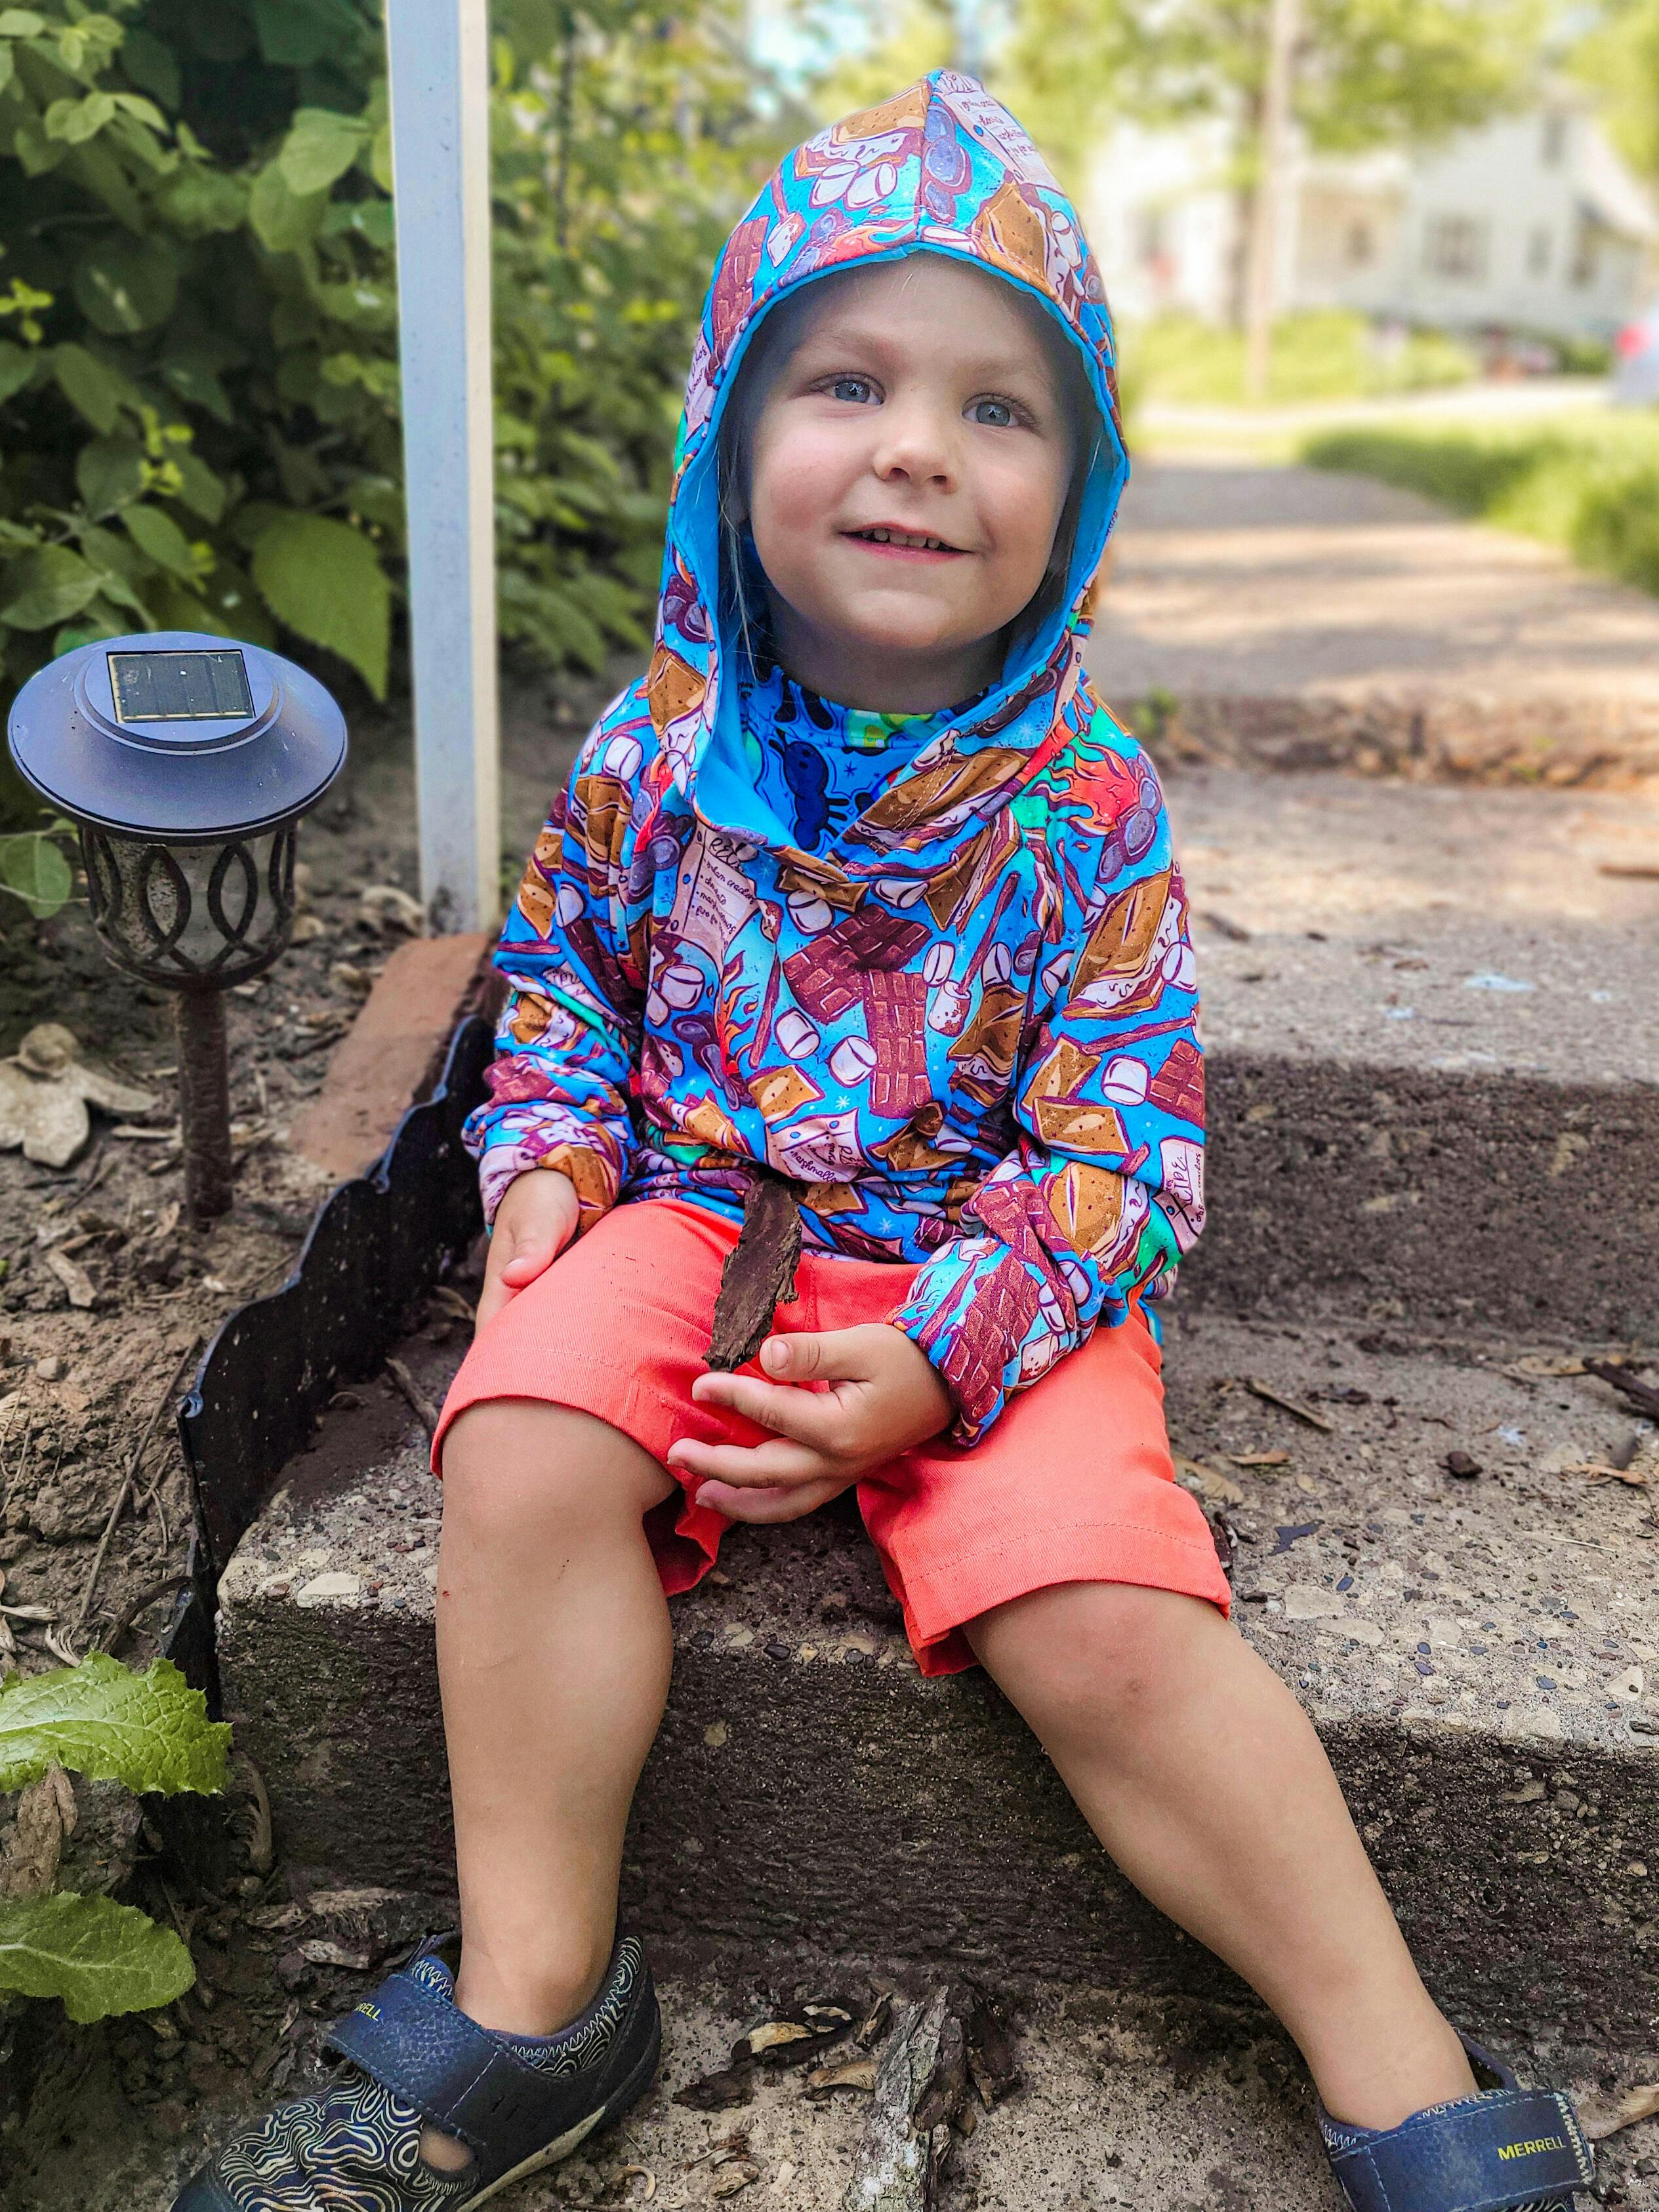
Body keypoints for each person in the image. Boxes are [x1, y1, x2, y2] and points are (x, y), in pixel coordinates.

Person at [174, 73, 1593, 2212]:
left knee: (1100, 1619)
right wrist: (546, 1167)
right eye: (845, 381)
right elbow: (559, 1002)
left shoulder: (1087, 806)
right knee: (520, 1446)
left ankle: (1399, 2066)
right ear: (727, 437)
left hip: (995, 1255)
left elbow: (1125, 1139)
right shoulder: (650, 754)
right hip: (695, 1211)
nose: (917, 444)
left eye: (998, 407)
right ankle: (536, 2000)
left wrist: (950, 1349)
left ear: (1077, 491)